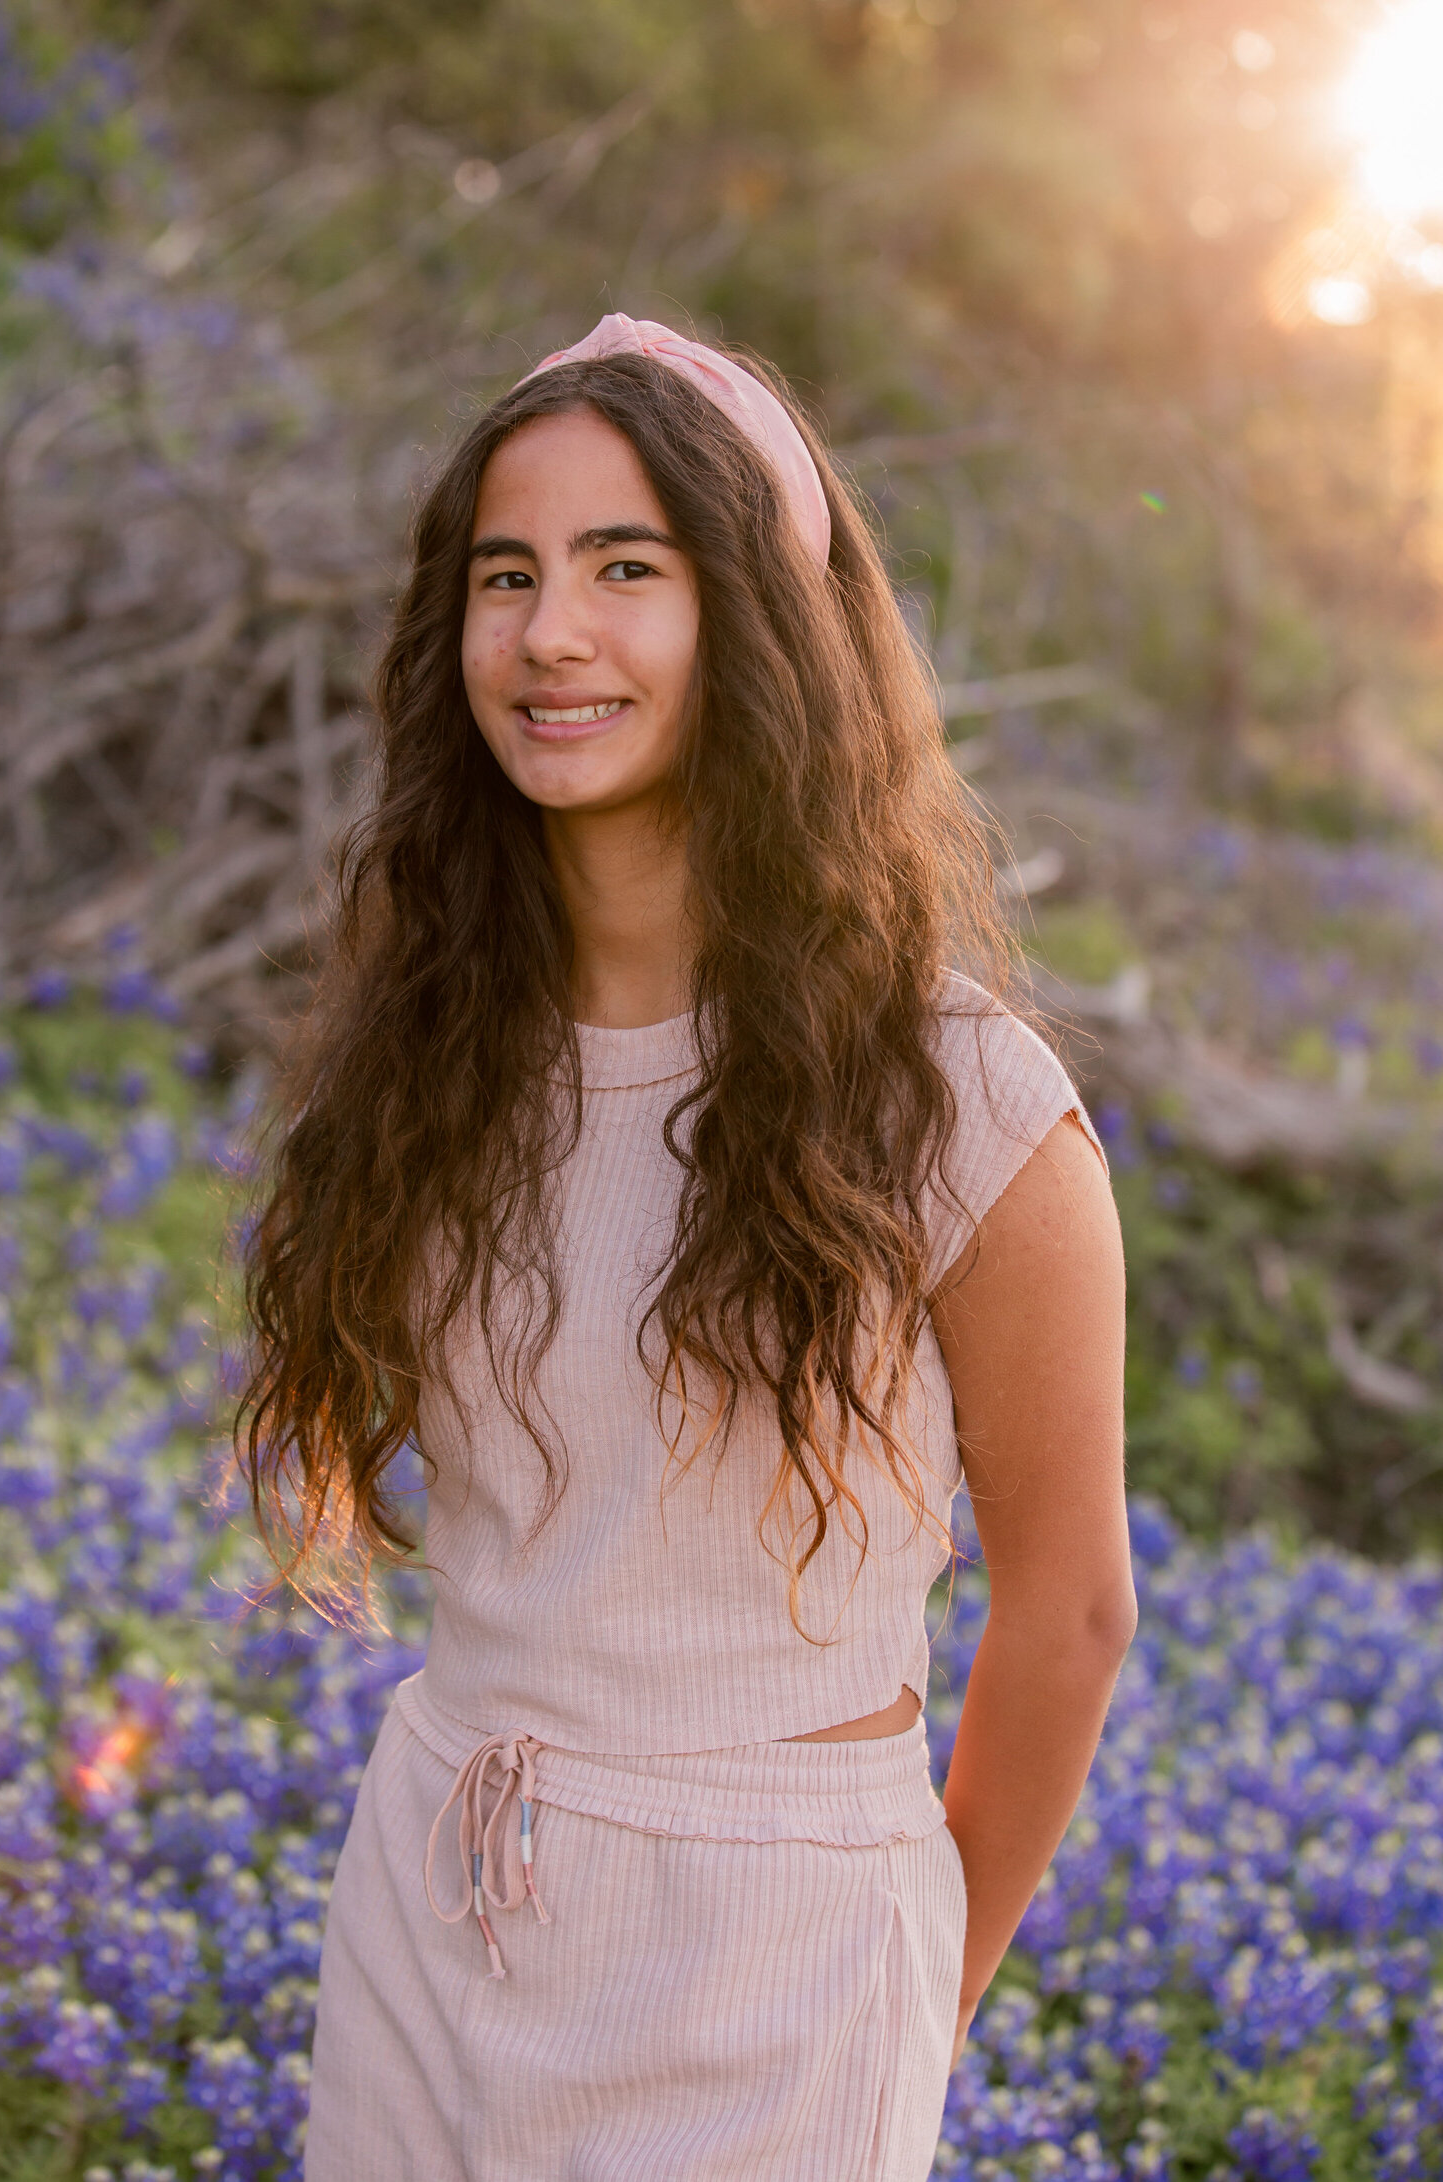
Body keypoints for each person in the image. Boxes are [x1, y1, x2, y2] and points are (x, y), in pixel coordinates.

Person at [241, 313, 1135, 2181]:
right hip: (440, 1887)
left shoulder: (959, 1095)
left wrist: (912, 1990)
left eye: (626, 568)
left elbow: (1069, 1605)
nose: (553, 632)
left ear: (759, 622)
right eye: (510, 573)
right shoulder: (439, 1047)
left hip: (778, 1953)